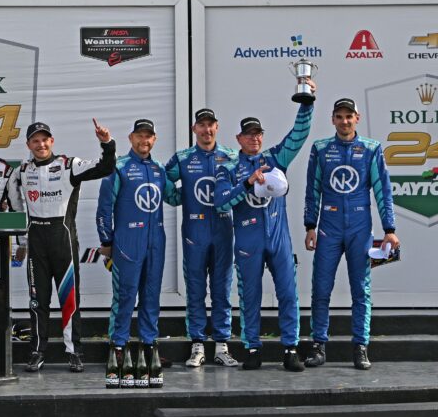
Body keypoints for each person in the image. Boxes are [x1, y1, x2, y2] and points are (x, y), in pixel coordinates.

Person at [215, 89, 314, 372]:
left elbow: (298, 136)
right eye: (248, 135)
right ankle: (252, 349)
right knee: (250, 297)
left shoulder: (274, 158)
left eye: (258, 134)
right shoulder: (228, 168)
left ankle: (290, 349)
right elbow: (220, 203)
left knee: (288, 294)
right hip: (248, 242)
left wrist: (307, 105)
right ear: (239, 139)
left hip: (279, 240)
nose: (254, 139)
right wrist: (247, 183)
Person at [8, 119, 116, 373]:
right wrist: (20, 238)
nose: (41, 144)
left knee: (69, 299)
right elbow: (12, 200)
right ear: (28, 145)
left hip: (63, 238)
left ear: (52, 141)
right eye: (35, 141)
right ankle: (37, 351)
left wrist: (107, 143)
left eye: (44, 140)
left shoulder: (69, 165)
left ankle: (74, 351)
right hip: (36, 239)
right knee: (38, 300)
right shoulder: (21, 170)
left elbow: (106, 167)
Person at [303, 98, 398, 370]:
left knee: (361, 289)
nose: (344, 121)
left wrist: (389, 229)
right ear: (333, 119)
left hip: (359, 228)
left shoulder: (371, 148)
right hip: (328, 228)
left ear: (357, 118)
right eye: (339, 116)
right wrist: (310, 226)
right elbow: (313, 190)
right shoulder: (321, 148)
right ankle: (318, 346)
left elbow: (383, 190)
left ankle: (360, 347)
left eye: (349, 116)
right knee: (321, 288)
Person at [98, 119, 181, 385]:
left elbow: (175, 198)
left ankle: (148, 347)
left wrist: (194, 182)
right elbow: (104, 208)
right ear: (131, 138)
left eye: (149, 136)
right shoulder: (119, 167)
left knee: (151, 297)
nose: (144, 141)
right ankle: (118, 348)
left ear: (154, 140)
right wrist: (106, 241)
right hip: (127, 243)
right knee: (125, 297)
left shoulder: (159, 169)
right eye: (140, 136)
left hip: (155, 242)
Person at [165, 109, 240, 368]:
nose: (206, 130)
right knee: (195, 290)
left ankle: (221, 345)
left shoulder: (231, 156)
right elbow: (161, 179)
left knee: (222, 289)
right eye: (202, 125)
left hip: (223, 231)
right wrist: (178, 197)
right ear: (194, 129)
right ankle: (197, 344)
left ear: (217, 127)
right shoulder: (184, 158)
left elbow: (244, 187)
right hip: (194, 233)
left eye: (210, 125)